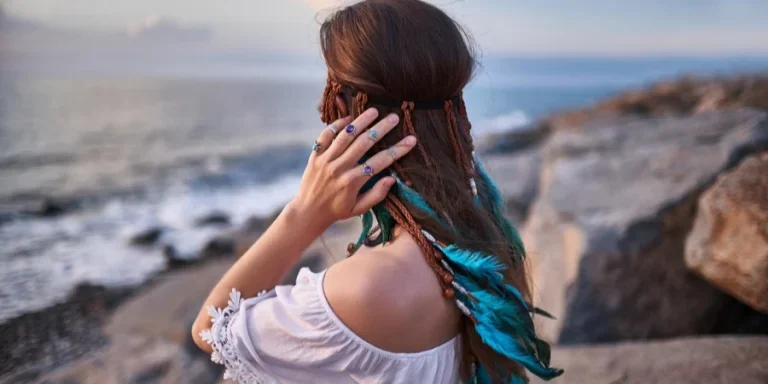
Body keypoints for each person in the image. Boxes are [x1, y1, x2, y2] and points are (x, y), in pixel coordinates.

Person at [191, 1, 562, 383]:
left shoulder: (369, 286)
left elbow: (211, 331)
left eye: (330, 86)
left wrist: (304, 213)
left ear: (339, 105)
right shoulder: (482, 229)